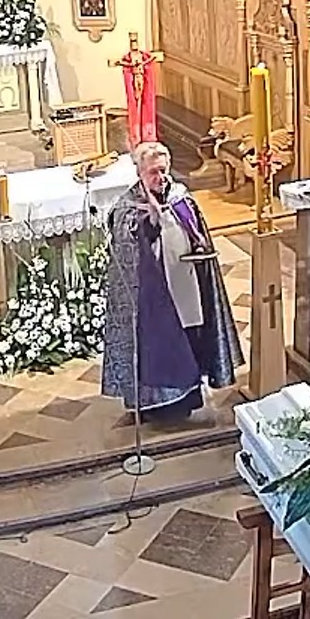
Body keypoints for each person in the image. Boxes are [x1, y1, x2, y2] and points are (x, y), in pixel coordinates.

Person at [102, 142, 242, 421]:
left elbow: (196, 231)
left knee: (189, 338)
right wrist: (149, 224)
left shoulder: (180, 197)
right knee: (159, 346)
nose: (160, 177)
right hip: (152, 296)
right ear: (140, 173)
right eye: (153, 172)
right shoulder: (128, 207)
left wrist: (198, 243)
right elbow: (125, 248)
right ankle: (156, 407)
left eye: (163, 170)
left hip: (186, 285)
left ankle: (188, 399)